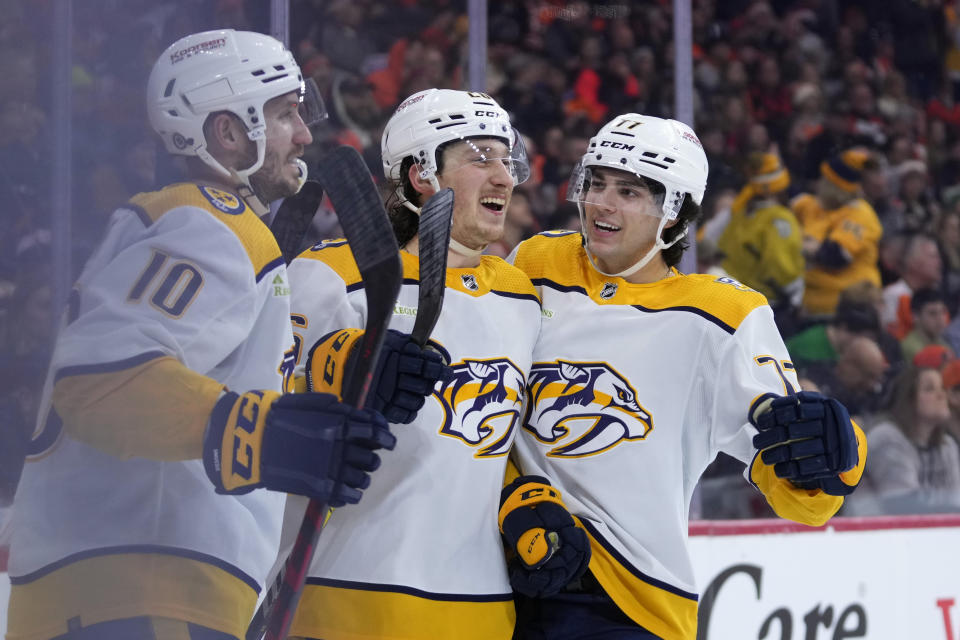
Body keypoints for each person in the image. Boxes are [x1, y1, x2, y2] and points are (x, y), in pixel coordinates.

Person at [7, 30, 396, 640]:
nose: (303, 134)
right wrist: (264, 435)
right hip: (141, 592)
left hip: (131, 588)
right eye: (285, 114)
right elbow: (99, 380)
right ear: (228, 133)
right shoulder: (211, 222)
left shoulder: (183, 220)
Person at [508, 113, 867, 639]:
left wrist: (834, 460)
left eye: (629, 192)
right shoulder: (538, 262)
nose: (601, 203)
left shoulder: (721, 315)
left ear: (673, 215)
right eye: (597, 183)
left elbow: (793, 469)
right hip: (505, 569)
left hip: (627, 602)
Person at [281, 89, 568, 640]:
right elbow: (264, 401)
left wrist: (525, 497)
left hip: (483, 607)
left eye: (506, 159)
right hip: (346, 593)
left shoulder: (519, 296)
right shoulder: (331, 274)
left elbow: (495, 441)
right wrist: (339, 365)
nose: (505, 178)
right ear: (421, 174)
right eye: (480, 158)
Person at [855, 365, 960, 515]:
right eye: (930, 389)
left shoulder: (947, 445)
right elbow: (900, 505)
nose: (942, 395)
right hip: (875, 532)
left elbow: (955, 501)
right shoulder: (886, 438)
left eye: (942, 388)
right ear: (908, 399)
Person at [792, 149, 883, 318]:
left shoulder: (860, 213)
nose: (819, 184)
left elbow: (836, 256)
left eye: (825, 180)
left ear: (836, 187)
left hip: (846, 309)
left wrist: (798, 244)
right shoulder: (814, 205)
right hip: (809, 303)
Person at [717, 151, 804, 310]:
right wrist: (795, 297)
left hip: (732, 296)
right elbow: (781, 265)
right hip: (766, 302)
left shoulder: (741, 214)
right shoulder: (779, 218)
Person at [899, 288, 954, 364]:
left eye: (943, 311)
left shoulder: (943, 343)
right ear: (916, 316)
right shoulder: (911, 347)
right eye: (932, 313)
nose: (940, 318)